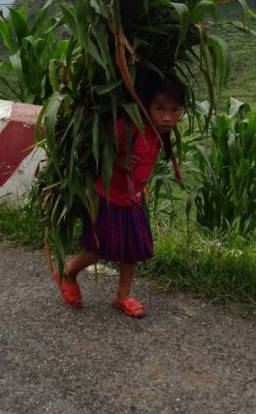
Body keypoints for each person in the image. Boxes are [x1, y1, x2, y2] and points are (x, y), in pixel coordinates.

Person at [54, 73, 185, 317]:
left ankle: (122, 297)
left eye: (175, 109)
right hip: (108, 197)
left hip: (132, 199)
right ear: (145, 105)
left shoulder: (160, 131)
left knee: (132, 251)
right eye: (159, 108)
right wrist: (116, 159)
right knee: (98, 248)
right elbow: (90, 148)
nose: (168, 117)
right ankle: (68, 272)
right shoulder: (128, 126)